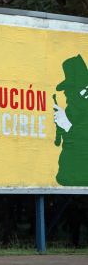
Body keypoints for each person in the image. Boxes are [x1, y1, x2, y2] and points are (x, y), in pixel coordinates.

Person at [54, 54, 88, 186]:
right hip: (68, 175)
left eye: (69, 88)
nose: (65, 93)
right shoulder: (72, 109)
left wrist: (67, 125)